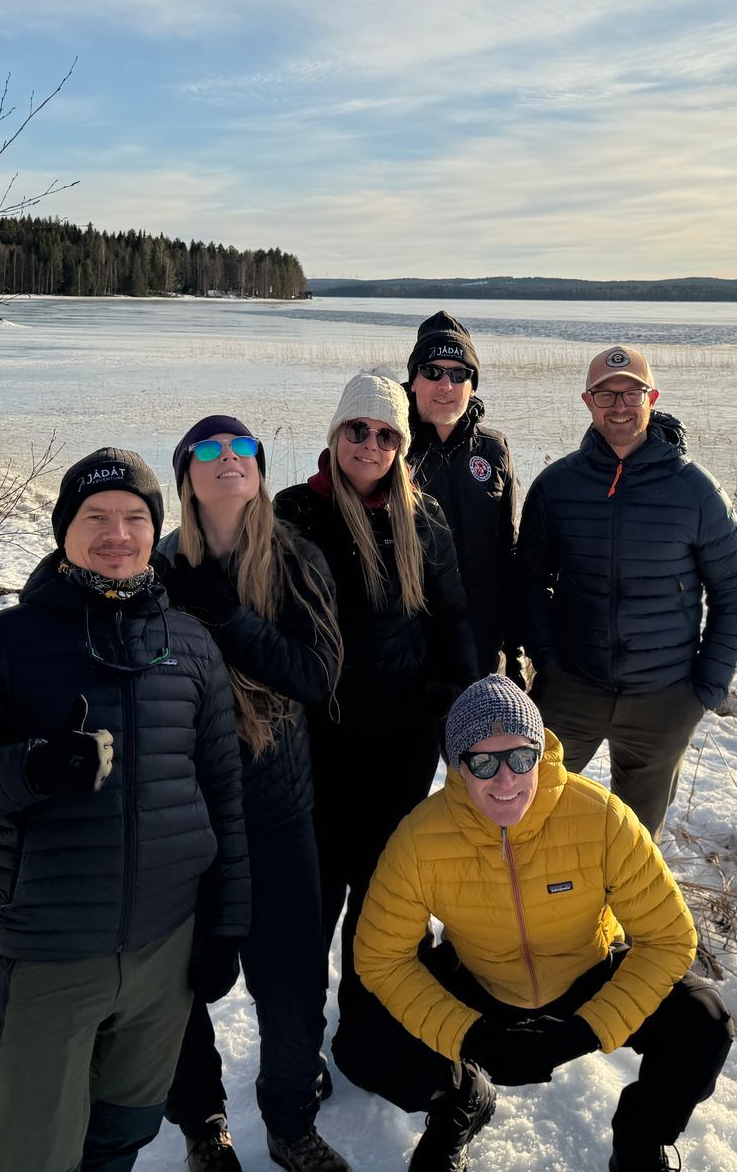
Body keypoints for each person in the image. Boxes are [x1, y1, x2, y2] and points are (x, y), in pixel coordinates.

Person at [0, 447, 249, 1172]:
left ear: (156, 531)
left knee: (124, 1131)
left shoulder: (189, 646)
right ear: (64, 529)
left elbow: (223, 795)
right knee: (38, 1153)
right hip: (51, 956)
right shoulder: (3, 644)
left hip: (165, 953)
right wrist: (29, 767)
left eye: (134, 517)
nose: (116, 534)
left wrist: (225, 925)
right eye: (96, 517)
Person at [344, 675, 735, 1172]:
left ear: (541, 752)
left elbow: (670, 938)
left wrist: (585, 1031)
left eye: (520, 758)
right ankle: (460, 1098)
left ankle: (639, 1140)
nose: (505, 780)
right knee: (362, 1044)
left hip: (586, 975)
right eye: (484, 762)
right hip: (481, 980)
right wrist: (470, 1036)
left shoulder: (601, 818)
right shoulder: (420, 838)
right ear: (459, 768)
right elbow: (382, 958)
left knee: (704, 1020)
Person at [153, 416, 352, 1172]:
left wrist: (230, 620)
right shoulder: (160, 566)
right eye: (209, 450)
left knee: (293, 975)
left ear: (261, 472)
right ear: (186, 479)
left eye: (243, 450)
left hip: (276, 807)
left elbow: (317, 676)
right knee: (178, 982)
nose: (229, 458)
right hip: (188, 811)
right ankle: (204, 1125)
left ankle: (292, 1122)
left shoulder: (296, 559)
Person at [273, 373, 478, 1045]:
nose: (370, 442)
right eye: (357, 429)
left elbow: (452, 624)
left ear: (400, 443)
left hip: (401, 745)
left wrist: (462, 720)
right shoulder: (292, 514)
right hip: (317, 745)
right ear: (335, 435)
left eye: (386, 432)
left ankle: (366, 1024)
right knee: (311, 900)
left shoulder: (424, 520)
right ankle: (297, 1040)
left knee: (383, 894)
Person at [515, 345, 737, 834]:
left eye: (631, 393)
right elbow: (529, 580)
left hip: (662, 699)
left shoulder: (696, 492)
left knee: (636, 844)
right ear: (587, 401)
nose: (619, 405)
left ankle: (614, 913)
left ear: (652, 398)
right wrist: (549, 660)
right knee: (524, 817)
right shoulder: (557, 487)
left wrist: (706, 689)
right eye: (605, 394)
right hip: (572, 691)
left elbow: (732, 591)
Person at [403, 311, 521, 679]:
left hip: (482, 646)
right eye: (432, 371)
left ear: (472, 385)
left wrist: (513, 656)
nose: (446, 385)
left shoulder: (493, 449)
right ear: (412, 381)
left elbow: (509, 553)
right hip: (412, 649)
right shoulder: (388, 447)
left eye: (459, 374)